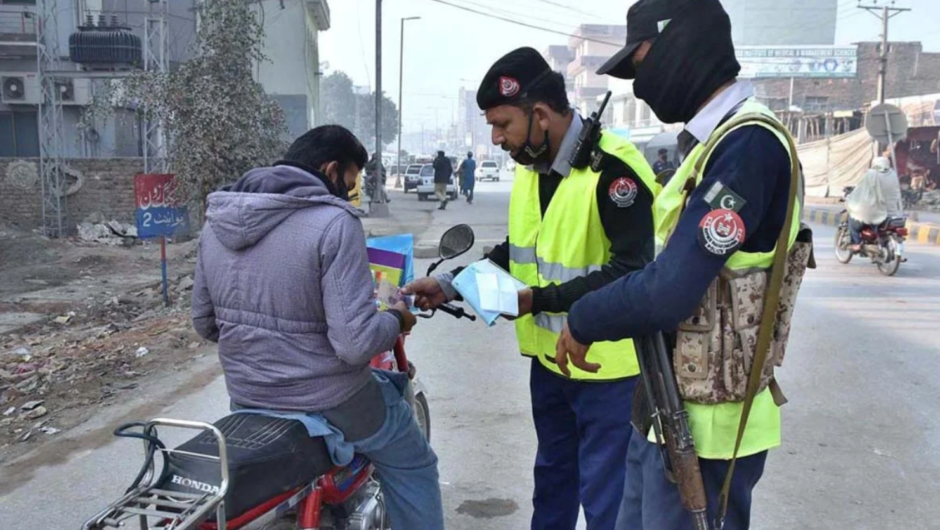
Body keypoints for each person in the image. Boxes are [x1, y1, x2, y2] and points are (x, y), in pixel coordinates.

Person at [554, 0, 811, 528]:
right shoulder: (713, 143)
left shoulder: (749, 147)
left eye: (641, 62)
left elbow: (671, 287)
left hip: (710, 426)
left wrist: (585, 318)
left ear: (681, 45)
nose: (640, 85)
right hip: (663, 405)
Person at [405, 47, 660, 530]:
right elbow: (519, 249)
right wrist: (449, 285)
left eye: (503, 125)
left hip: (608, 369)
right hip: (550, 364)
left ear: (540, 114)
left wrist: (536, 300)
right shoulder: (533, 168)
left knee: (609, 502)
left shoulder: (614, 171)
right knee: (553, 484)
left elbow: (632, 270)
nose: (498, 139)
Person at [191, 125, 444, 530]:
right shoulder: (332, 223)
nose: (349, 193)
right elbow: (355, 344)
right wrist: (396, 316)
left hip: (247, 398)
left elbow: (204, 322)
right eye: (349, 182)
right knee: (415, 463)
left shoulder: (216, 222)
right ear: (330, 170)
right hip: (332, 400)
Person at [847, 156, 904, 252]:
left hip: (876, 212)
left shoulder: (871, 174)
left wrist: (851, 197)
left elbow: (860, 190)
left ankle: (856, 243)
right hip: (891, 212)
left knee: (853, 221)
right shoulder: (893, 174)